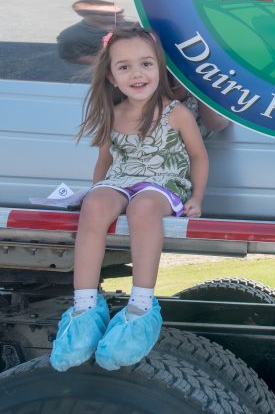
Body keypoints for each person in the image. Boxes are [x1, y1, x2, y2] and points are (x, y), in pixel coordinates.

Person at [50, 26, 209, 372]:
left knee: (143, 207)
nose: (137, 74)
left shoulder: (176, 113)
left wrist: (196, 197)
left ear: (159, 68)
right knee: (94, 207)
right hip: (122, 180)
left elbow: (198, 156)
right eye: (124, 67)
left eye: (146, 64)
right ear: (111, 76)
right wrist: (95, 192)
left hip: (164, 182)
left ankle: (139, 307)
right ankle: (84, 308)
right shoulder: (114, 113)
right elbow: (105, 162)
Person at [56, 0, 126, 65]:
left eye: (120, 11)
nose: (120, 15)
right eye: (110, 13)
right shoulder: (70, 37)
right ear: (86, 15)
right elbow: (74, 59)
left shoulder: (132, 26)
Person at [167, 72, 230, 139]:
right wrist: (229, 120)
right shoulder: (198, 88)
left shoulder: (197, 88)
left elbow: (215, 123)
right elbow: (215, 124)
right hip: (196, 139)